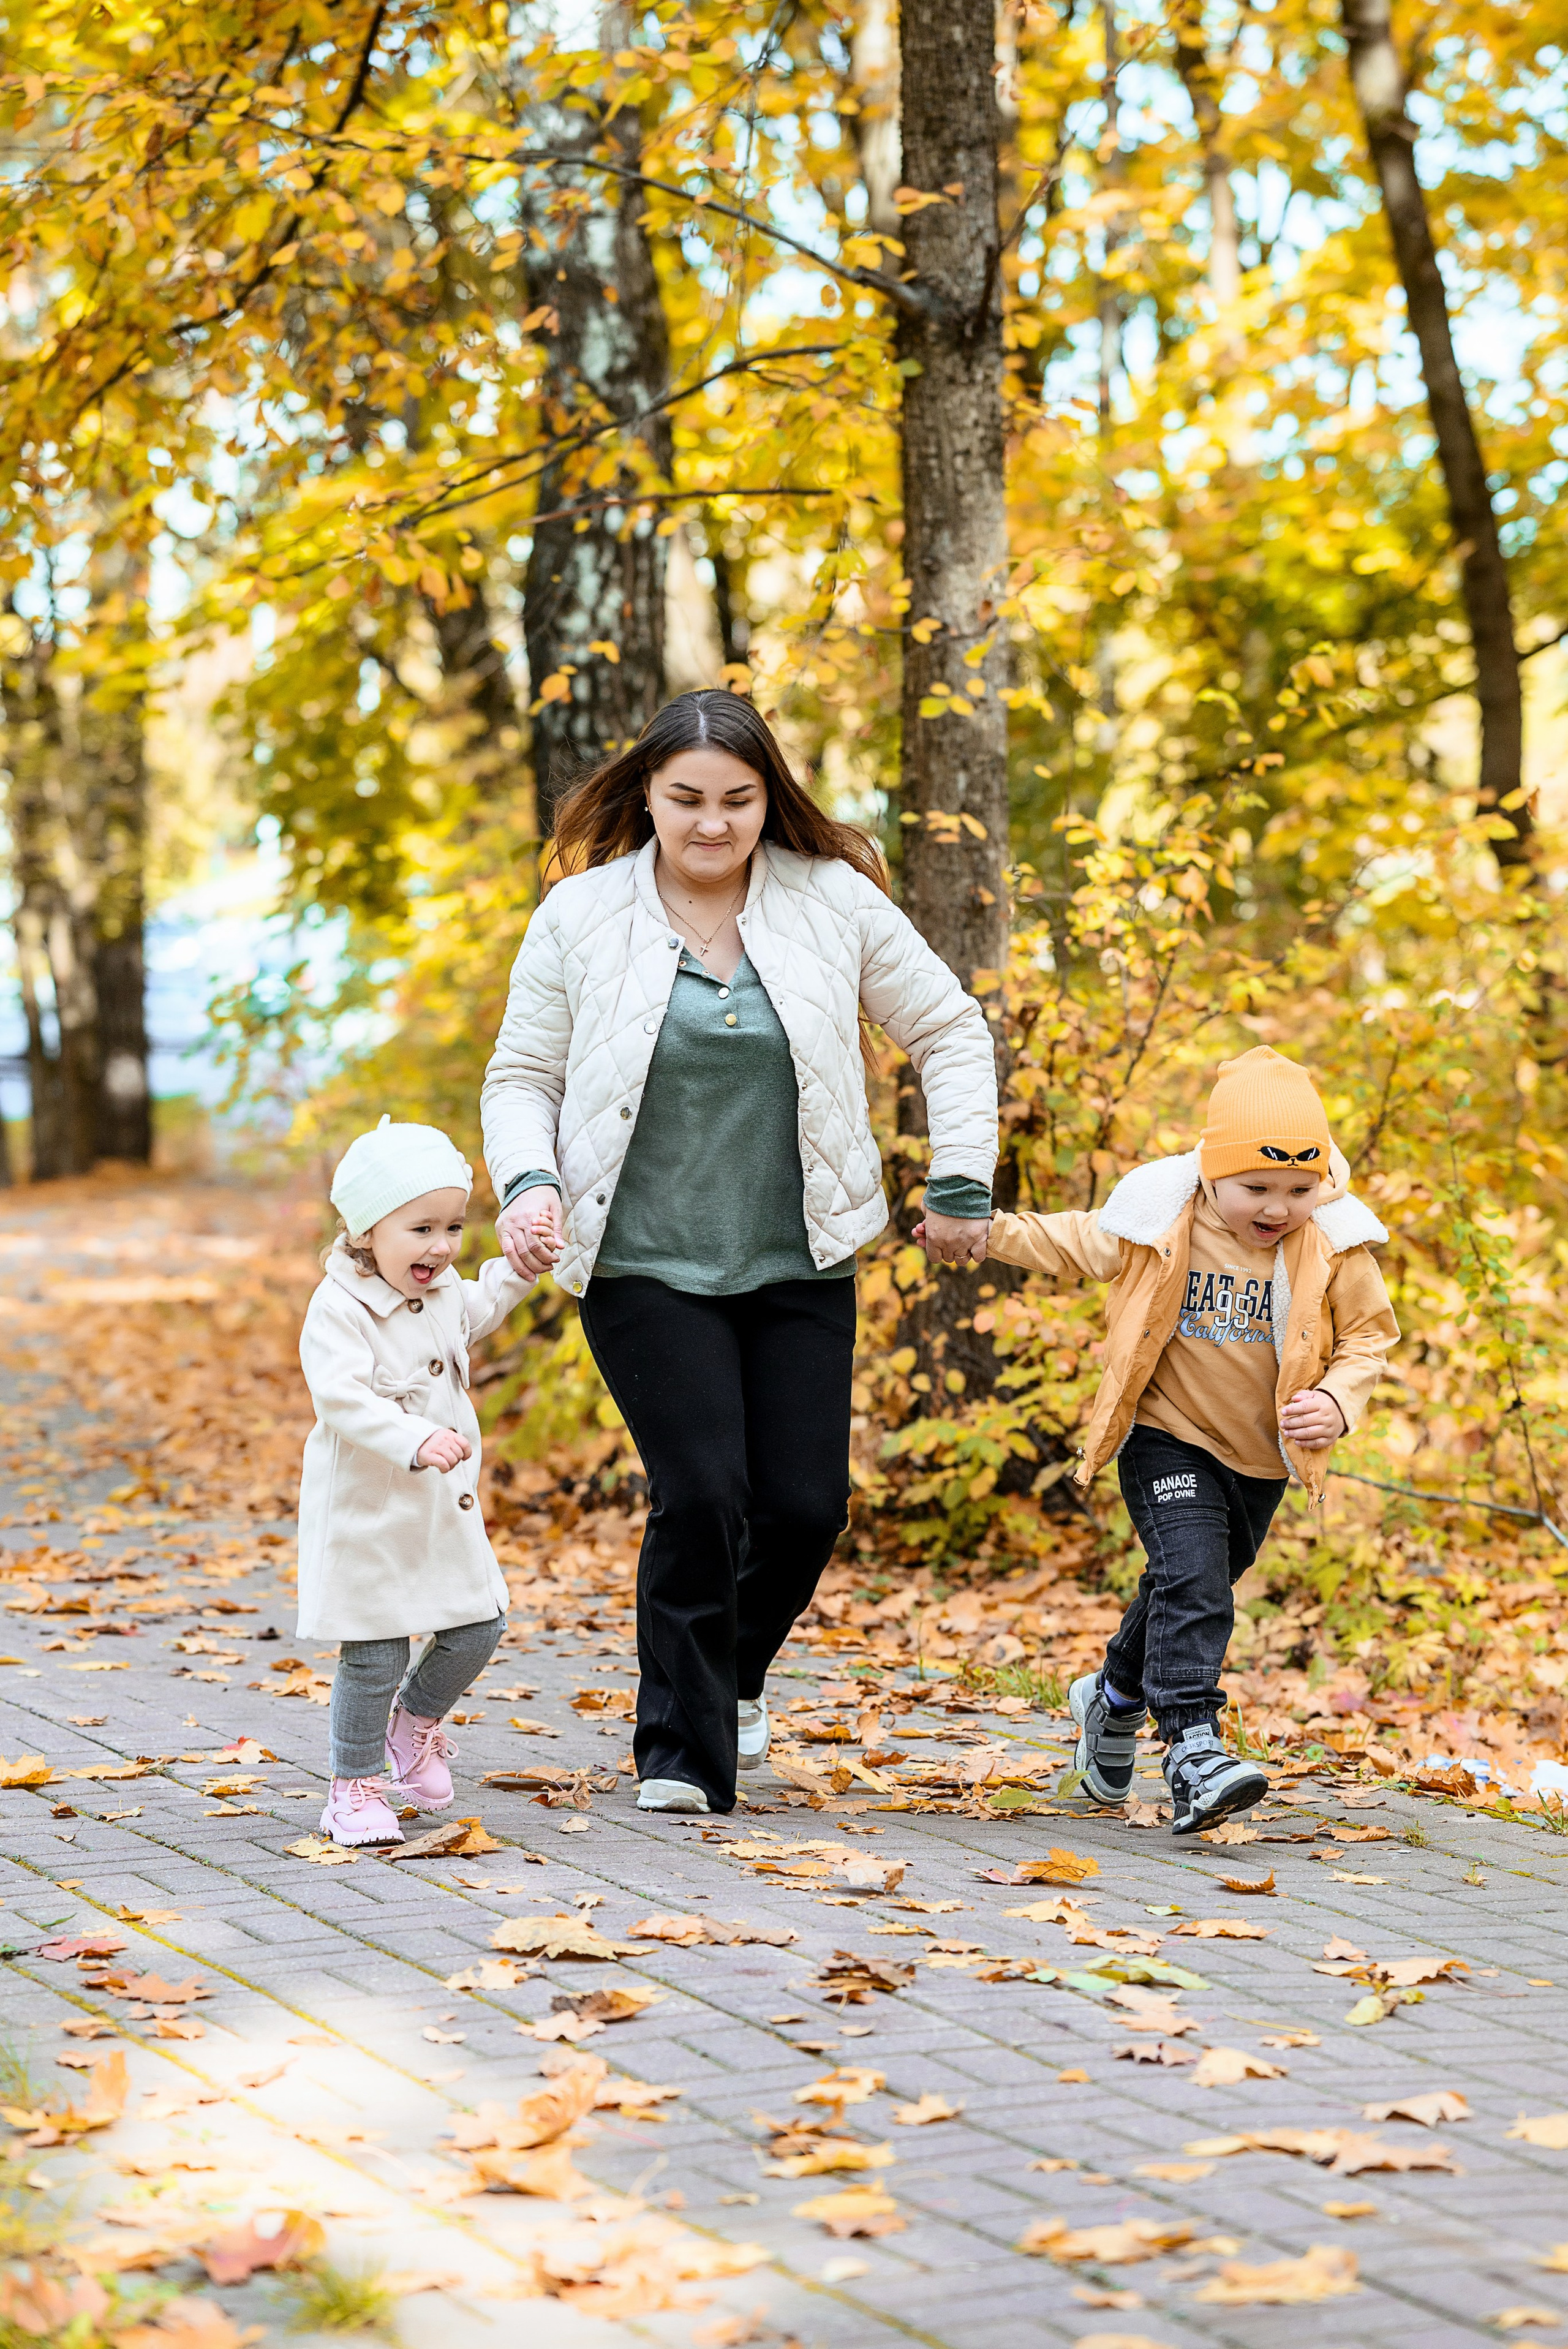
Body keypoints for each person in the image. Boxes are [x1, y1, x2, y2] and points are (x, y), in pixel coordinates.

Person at [481, 689, 998, 1817]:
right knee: (702, 1491)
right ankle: (679, 1749)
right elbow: (523, 1075)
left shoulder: (833, 903)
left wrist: (961, 1177)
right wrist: (528, 1183)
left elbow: (949, 1028)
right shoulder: (581, 916)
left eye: (736, 800)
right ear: (647, 797)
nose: (711, 824)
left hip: (799, 1257)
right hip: (640, 1256)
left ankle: (731, 1675)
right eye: (686, 800)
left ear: (770, 798)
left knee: (808, 1508)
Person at [932, 1047, 1398, 1836]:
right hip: (1166, 1436)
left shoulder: (1333, 1245)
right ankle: (1192, 1748)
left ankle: (1111, 1697)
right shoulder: (1163, 1222)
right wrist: (990, 1231)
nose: (1277, 1207)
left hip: (1259, 1462)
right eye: (1255, 1187)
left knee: (1188, 1584)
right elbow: (1077, 1240)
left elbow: (1368, 1339)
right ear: (1210, 1173)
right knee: (1194, 1581)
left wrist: (1334, 1400)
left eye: (1298, 1188)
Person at [298, 1116, 532, 1846]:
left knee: (480, 1621)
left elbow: (479, 1308)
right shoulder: (339, 1307)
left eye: (454, 1227)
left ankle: (416, 1721)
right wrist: (413, 1436)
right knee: (375, 1650)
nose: (441, 1246)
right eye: (421, 1228)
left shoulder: (443, 1291)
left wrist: (519, 1268)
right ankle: (355, 1786)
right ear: (367, 1230)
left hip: (438, 1508)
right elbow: (341, 1397)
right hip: (370, 1511)